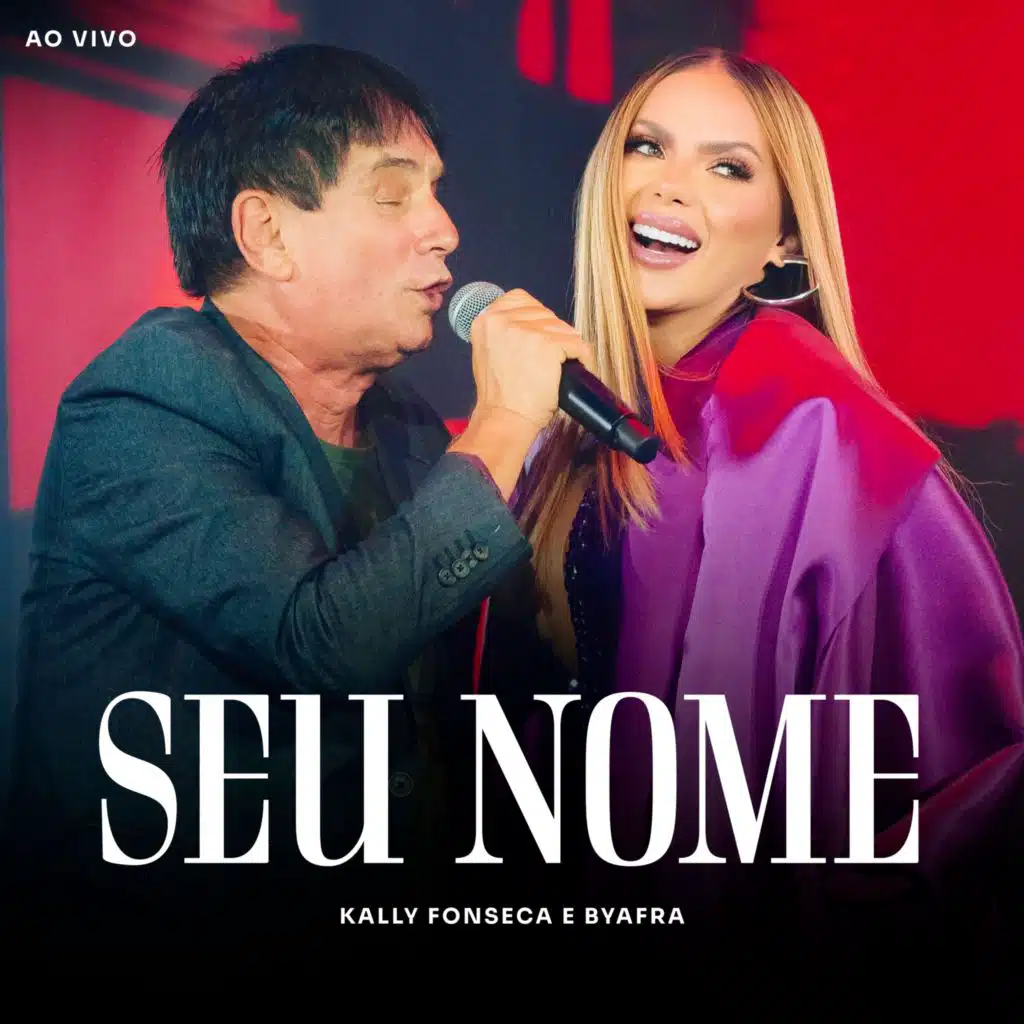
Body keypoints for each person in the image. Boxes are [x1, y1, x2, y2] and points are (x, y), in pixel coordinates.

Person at [2, 43, 595, 969]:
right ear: (268, 233)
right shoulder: (145, 401)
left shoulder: (404, 429)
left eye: (437, 193)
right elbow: (320, 645)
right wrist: (508, 415)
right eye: (393, 196)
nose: (444, 230)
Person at [475, 48, 1024, 980]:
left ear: (785, 243)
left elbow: (983, 775)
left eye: (728, 167)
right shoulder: (551, 414)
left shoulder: (829, 434)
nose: (670, 186)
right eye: (648, 146)